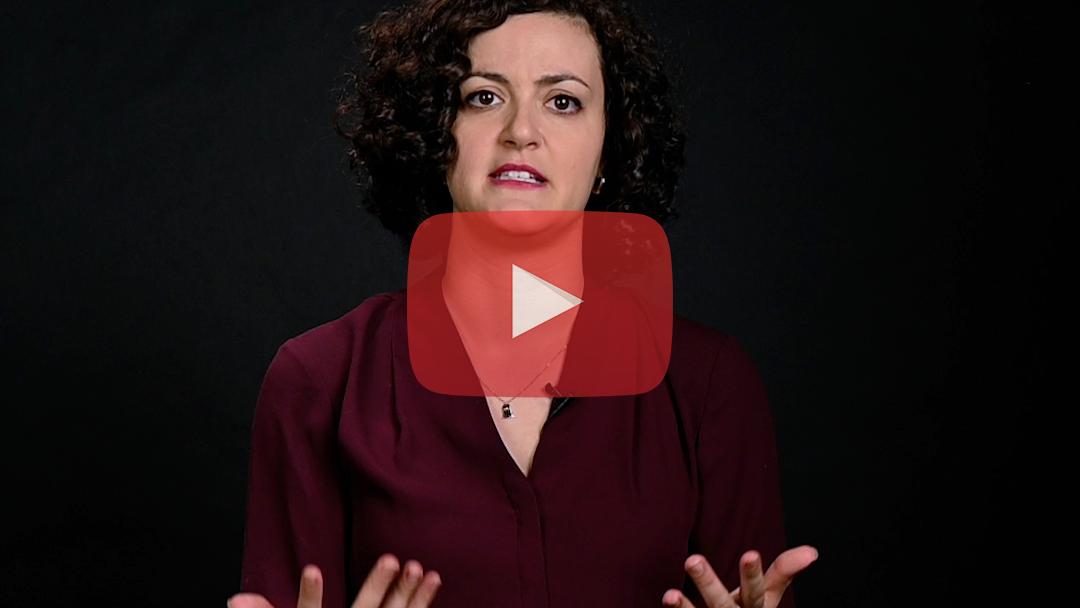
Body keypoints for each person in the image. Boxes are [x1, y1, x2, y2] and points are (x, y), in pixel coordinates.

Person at [229, 1, 817, 607]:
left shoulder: (708, 385)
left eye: (563, 101)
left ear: (609, 153)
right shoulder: (320, 381)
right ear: (435, 133)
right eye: (483, 97)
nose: (521, 130)